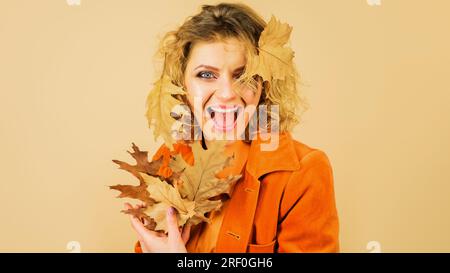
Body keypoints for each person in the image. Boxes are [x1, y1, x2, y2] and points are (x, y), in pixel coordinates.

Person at [126, 2, 339, 253]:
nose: (227, 94)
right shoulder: (168, 159)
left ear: (264, 85)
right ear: (181, 84)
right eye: (206, 75)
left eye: (243, 75)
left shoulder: (303, 172)